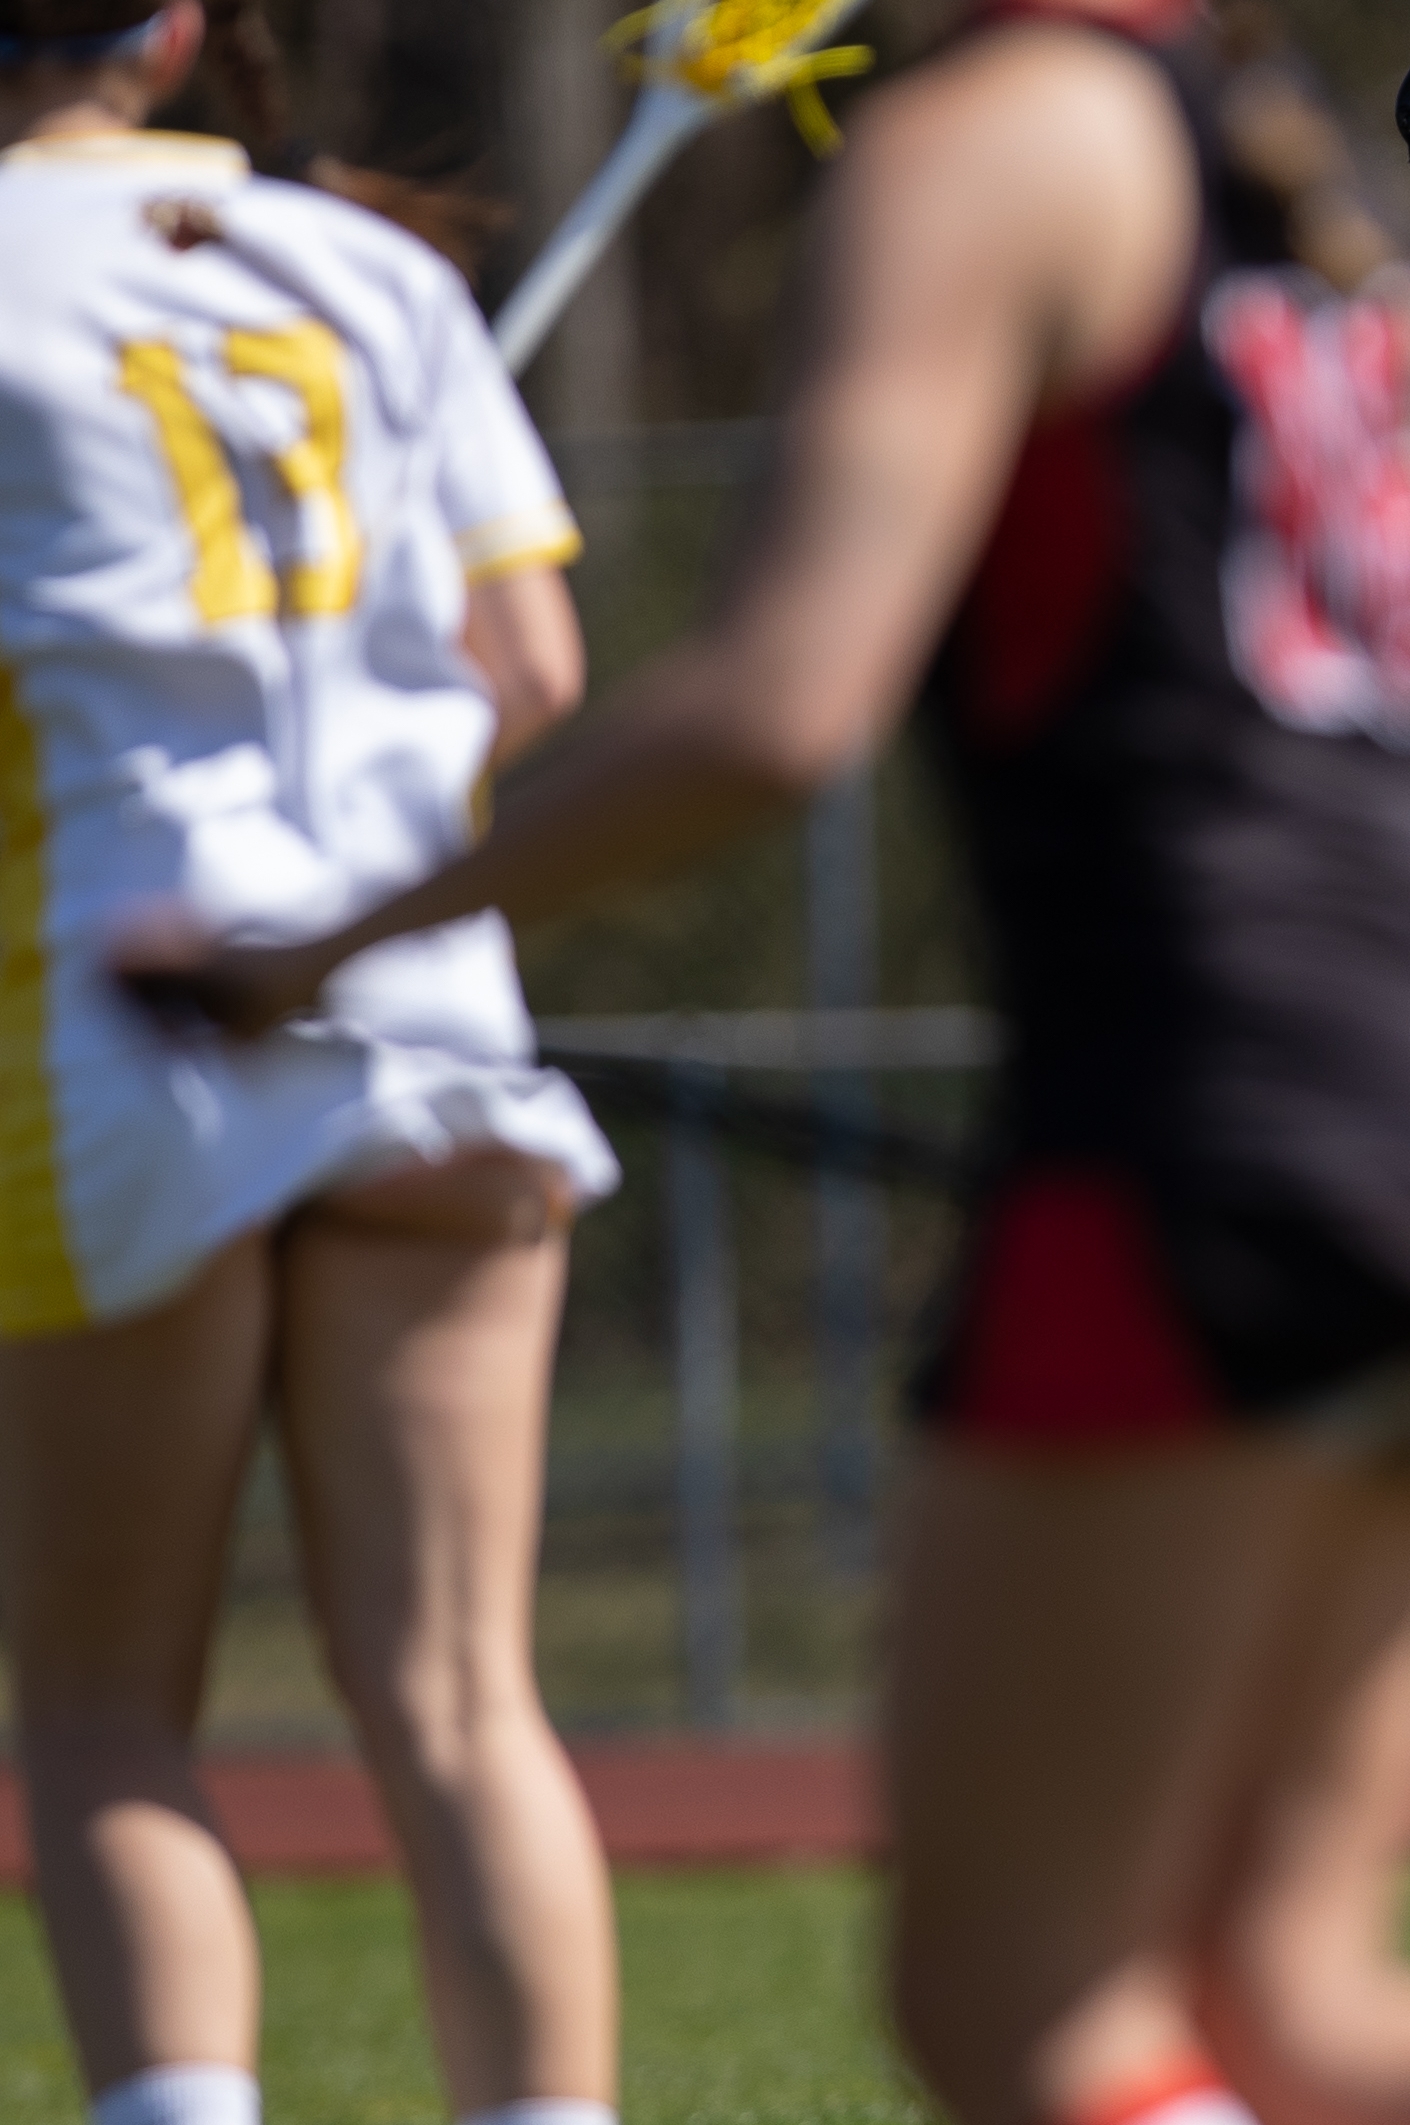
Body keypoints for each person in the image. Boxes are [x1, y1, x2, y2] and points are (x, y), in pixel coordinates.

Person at [113, 10, 1410, 2125]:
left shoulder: (987, 150)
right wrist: (1344, 1015)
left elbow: (775, 704)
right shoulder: (1328, 199)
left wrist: (326, 943)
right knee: (1287, 2007)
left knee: (1014, 2009)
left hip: (1197, 1123)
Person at [0, 8, 624, 2125]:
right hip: (425, 1016)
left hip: (110, 1040)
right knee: (461, 1704)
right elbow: (526, 664)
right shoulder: (369, 268)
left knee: (102, 1712)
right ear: (175, 25)